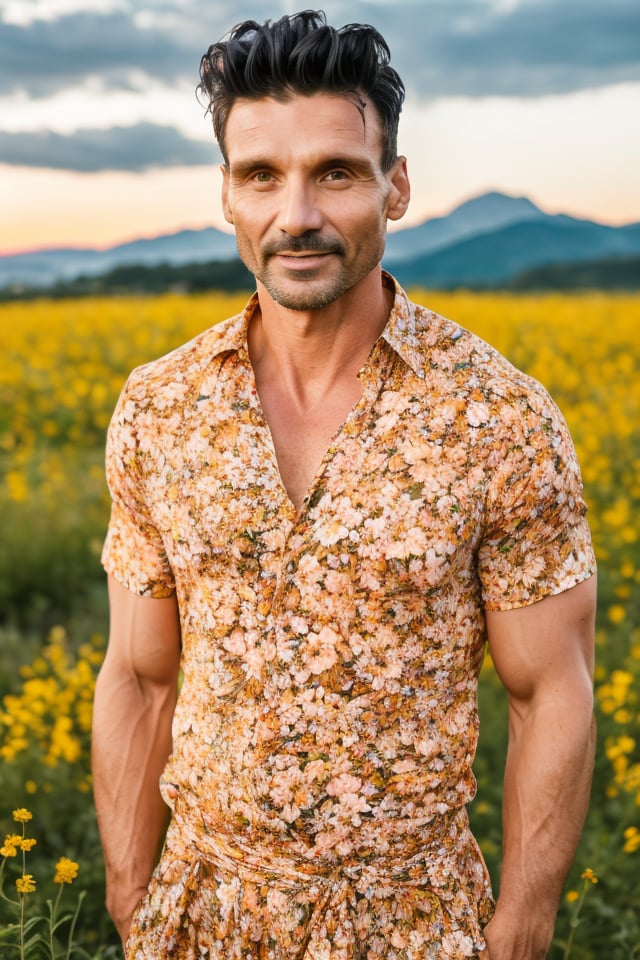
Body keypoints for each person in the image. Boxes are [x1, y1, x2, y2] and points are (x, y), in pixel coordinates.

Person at [92, 10, 597, 960]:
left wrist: (522, 930)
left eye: (336, 172)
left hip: (413, 923)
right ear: (228, 196)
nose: (298, 216)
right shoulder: (158, 409)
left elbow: (551, 693)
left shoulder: (501, 419)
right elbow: (138, 672)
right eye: (261, 176)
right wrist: (131, 896)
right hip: (198, 915)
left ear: (395, 186)